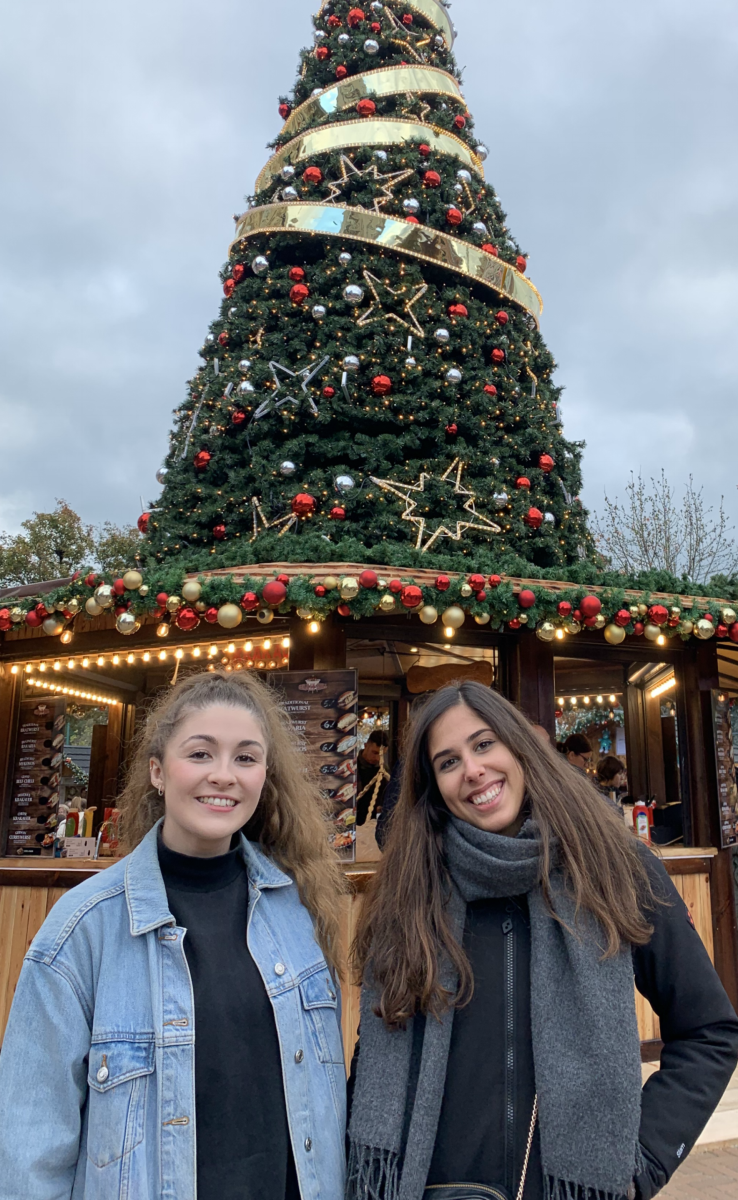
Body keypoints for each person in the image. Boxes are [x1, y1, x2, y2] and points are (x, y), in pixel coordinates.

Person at [347, 680, 738, 1200]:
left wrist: (642, 1162)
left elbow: (709, 1029)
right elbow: (379, 1041)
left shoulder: (616, 868)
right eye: (447, 762)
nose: (473, 770)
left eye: (484, 744)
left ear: (520, 747)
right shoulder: (410, 889)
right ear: (434, 786)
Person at [0, 671, 347, 1200]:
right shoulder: (83, 928)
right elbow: (31, 1145)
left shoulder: (297, 909)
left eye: (246, 757)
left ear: (265, 776)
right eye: (201, 754)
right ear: (158, 772)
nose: (224, 775)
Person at [356, 730, 389, 826]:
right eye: (375, 753)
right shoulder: (352, 768)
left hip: (375, 824)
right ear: (366, 745)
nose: (378, 758)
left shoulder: (384, 771)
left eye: (381, 755)